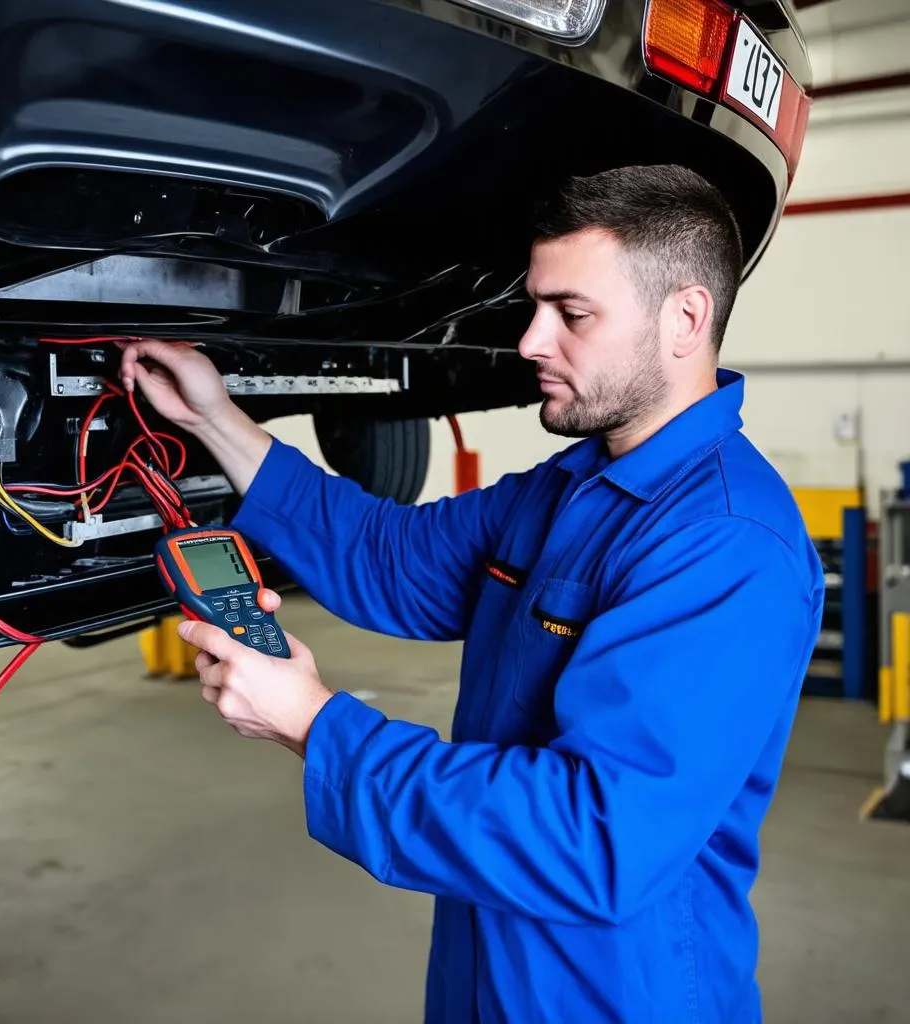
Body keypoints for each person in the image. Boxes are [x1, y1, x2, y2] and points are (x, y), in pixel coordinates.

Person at [119, 164, 824, 1023]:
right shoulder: (567, 492)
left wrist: (314, 723)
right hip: (487, 969)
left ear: (685, 319)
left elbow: (595, 842)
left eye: (572, 314)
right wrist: (214, 420)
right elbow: (389, 556)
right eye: (536, 307)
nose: (529, 341)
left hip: (617, 998)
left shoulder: (724, 544)